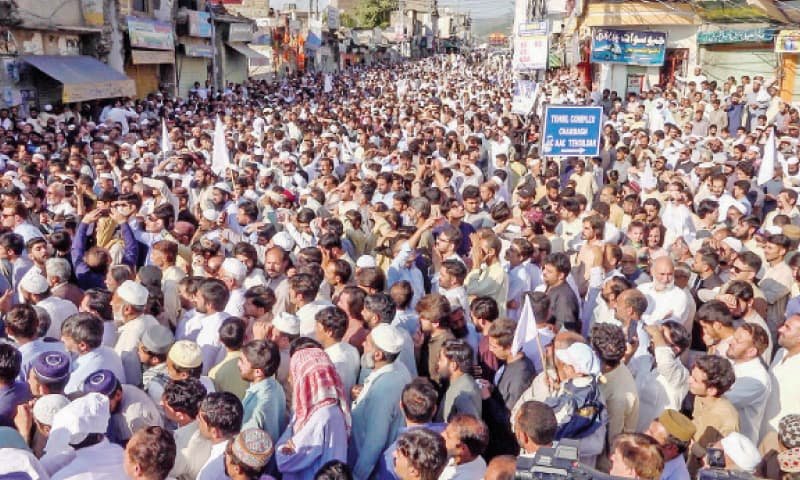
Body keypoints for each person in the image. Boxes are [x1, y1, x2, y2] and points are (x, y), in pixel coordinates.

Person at [276, 346, 349, 480]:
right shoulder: (332, 405)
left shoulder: (319, 416)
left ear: (306, 380)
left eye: (294, 374)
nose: (290, 379)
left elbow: (284, 461)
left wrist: (284, 444)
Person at [350, 324, 412, 480]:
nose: (363, 344)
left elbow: (374, 442)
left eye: (368, 343)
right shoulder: (400, 368)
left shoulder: (383, 390)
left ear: (377, 355)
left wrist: (357, 475)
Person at [81, 369, 163, 445]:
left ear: (118, 395)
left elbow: (141, 449)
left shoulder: (135, 417)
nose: (98, 408)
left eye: (102, 404)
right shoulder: (114, 392)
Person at [61, 312, 126, 394]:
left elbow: (67, 393)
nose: (61, 339)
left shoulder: (80, 376)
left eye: (66, 338)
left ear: (82, 346)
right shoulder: (111, 352)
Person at [163, 378, 213, 480]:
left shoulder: (180, 446)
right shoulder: (212, 422)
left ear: (180, 415)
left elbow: (169, 473)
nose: (160, 403)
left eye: (165, 406)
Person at [239, 339, 287, 445]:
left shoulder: (255, 406)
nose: (238, 364)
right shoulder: (275, 386)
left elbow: (247, 445)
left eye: (242, 361)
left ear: (258, 372)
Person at [196, 392, 245, 480]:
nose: (197, 419)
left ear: (215, 432)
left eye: (200, 418)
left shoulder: (209, 473)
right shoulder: (247, 447)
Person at [437, 339, 481, 422]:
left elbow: (469, 429)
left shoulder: (464, 394)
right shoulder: (457, 384)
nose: (438, 363)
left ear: (453, 365)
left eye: (441, 360)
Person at [644, 410, 695, 480]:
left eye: (651, 434)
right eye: (648, 430)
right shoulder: (646, 452)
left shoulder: (678, 477)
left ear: (671, 447)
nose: (644, 434)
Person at [439, 414, 489, 480]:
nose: (441, 434)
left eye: (448, 436)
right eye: (445, 430)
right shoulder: (474, 457)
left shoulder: (463, 477)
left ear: (462, 449)